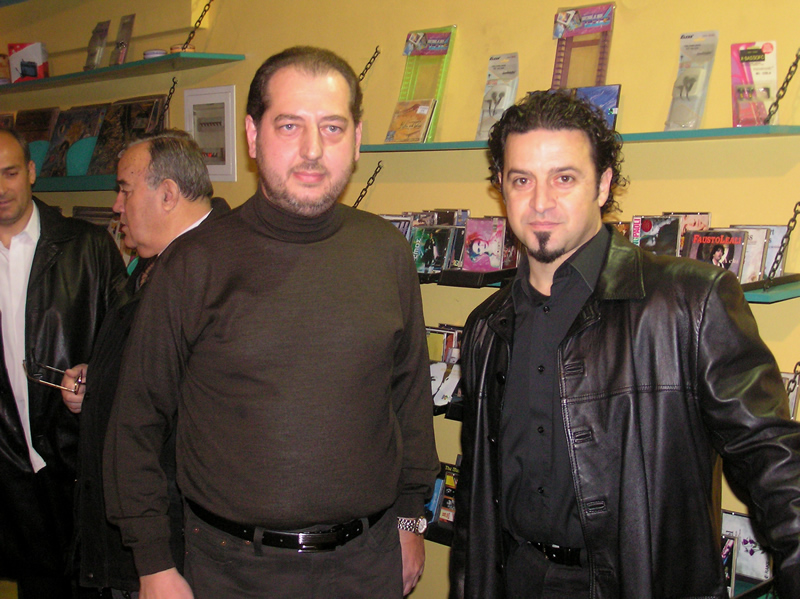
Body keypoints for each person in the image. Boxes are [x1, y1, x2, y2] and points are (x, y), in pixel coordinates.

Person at [103, 46, 439, 599]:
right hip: (232, 571)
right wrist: (154, 564)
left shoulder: (387, 252)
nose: (312, 149)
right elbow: (136, 421)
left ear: (357, 140)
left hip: (368, 563)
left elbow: (409, 400)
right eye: (290, 125)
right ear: (253, 136)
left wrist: (410, 520)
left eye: (332, 127)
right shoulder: (193, 264)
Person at [449, 90, 800, 599]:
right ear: (501, 186)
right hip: (515, 579)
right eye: (522, 180)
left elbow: (775, 462)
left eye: (564, 178)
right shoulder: (486, 325)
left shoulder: (690, 302)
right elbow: (475, 497)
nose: (540, 202)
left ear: (603, 184)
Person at [59, 131, 230, 598]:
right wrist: (99, 379)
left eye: (125, 190)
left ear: (168, 194)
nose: (116, 206)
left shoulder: (217, 269)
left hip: (176, 548)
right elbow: (153, 372)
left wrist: (156, 561)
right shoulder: (155, 259)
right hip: (132, 538)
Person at [0, 126, 126, 597]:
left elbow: (128, 345)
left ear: (32, 171)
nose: (0, 188)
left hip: (79, 464)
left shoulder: (88, 247)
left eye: (10, 173)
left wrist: (96, 376)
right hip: (10, 472)